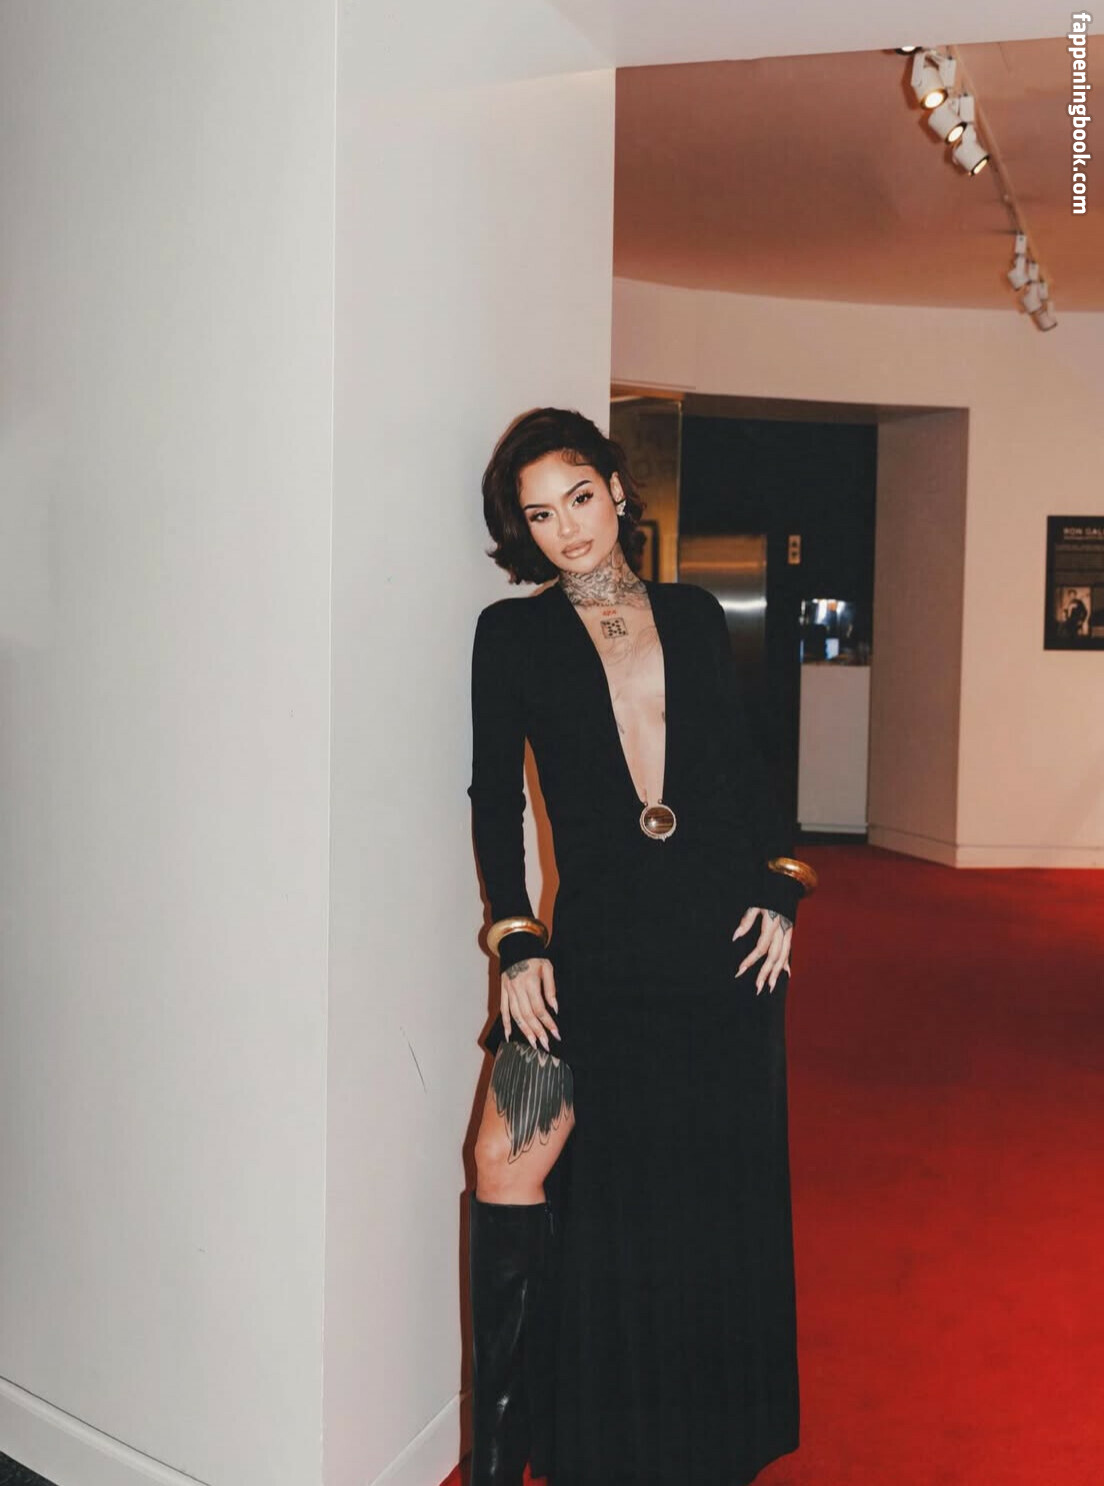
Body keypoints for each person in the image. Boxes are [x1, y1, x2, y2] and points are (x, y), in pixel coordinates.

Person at [465, 407, 818, 1486]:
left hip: (719, 941)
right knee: (509, 1158)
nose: (567, 528)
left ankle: (698, 1440)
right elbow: (494, 797)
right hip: (597, 946)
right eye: (540, 515)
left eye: (580, 497)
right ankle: (513, 1452)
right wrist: (516, 937)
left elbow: (746, 764)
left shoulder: (696, 614)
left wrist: (783, 884)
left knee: (703, 1183)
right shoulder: (511, 634)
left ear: (617, 490)